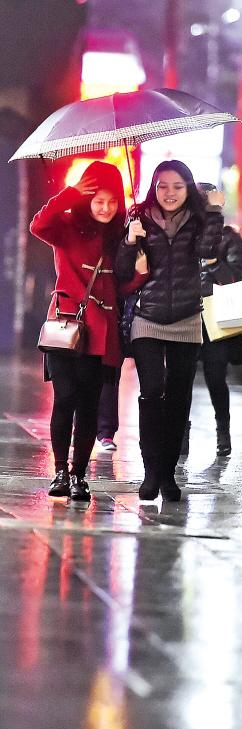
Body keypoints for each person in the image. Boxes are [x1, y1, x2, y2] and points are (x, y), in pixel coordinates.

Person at [115, 160, 224, 501]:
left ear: (188, 187)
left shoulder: (199, 219)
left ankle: (168, 474)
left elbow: (209, 252)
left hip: (187, 319)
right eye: (163, 185)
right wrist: (131, 242)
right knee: (151, 392)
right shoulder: (139, 218)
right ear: (154, 186)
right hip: (147, 317)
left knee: (179, 398)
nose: (170, 193)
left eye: (178, 186)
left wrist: (215, 212)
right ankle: (150, 472)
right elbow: (120, 272)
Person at [30, 161, 127, 501]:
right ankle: (59, 471)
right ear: (87, 199)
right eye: (98, 200)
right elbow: (38, 224)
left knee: (88, 405)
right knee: (66, 398)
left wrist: (139, 262)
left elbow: (128, 282)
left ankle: (79, 476)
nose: (105, 208)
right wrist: (69, 194)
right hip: (65, 327)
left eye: (112, 201)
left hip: (101, 334)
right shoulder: (68, 226)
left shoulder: (122, 235)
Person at [182, 212, 242, 457]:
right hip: (185, 312)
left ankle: (223, 432)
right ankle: (181, 435)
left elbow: (234, 279)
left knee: (216, 377)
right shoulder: (183, 235)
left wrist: (212, 262)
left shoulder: (230, 239)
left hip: (218, 315)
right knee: (182, 378)